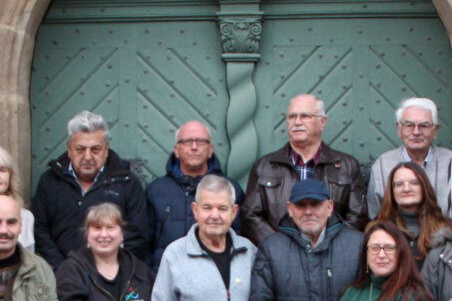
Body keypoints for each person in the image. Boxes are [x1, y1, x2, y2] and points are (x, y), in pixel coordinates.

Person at [31, 110, 151, 268]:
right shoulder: (50, 181)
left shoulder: (127, 182)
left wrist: (109, 269)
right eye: (80, 149)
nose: (87, 157)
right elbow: (39, 230)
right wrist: (63, 269)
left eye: (95, 150)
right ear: (69, 150)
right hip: (59, 275)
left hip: (112, 275)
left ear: (106, 151)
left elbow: (137, 234)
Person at [242, 94, 367, 244]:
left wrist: (329, 247)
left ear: (322, 122)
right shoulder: (264, 167)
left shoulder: (348, 166)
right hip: (279, 255)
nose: (297, 122)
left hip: (333, 254)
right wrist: (279, 247)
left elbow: (357, 216)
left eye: (305, 116)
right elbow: (251, 216)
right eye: (292, 116)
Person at [146, 120, 244, 268]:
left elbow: (240, 238)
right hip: (167, 274)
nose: (194, 147)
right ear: (176, 150)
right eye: (187, 142)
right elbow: (144, 244)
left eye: (201, 142)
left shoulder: (230, 189)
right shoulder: (156, 190)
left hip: (217, 274)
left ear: (210, 150)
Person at [367, 97, 452, 219]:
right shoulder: (382, 165)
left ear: (435, 130)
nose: (416, 132)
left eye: (424, 125)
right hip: (396, 231)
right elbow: (375, 215)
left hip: (444, 230)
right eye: (409, 125)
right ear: (399, 129)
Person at [375, 162, 451, 267]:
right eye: (399, 184)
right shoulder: (378, 229)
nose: (406, 189)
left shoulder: (446, 230)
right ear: (392, 191)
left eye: (414, 183)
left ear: (423, 187)